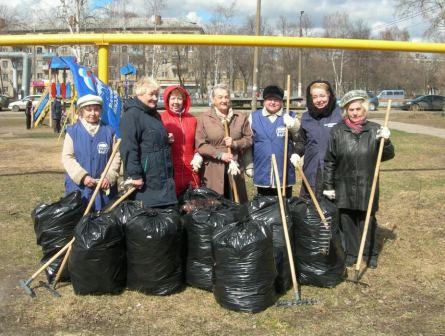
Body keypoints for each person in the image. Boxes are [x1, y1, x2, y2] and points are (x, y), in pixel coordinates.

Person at [323, 90, 395, 268]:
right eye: (351, 110)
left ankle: (370, 253)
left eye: (358, 109)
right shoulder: (338, 131)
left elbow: (386, 156)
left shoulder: (374, 129)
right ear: (346, 111)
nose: (355, 113)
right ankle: (352, 253)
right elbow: (330, 161)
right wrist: (329, 186)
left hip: (366, 184)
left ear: (365, 109)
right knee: (346, 221)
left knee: (367, 222)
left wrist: (386, 142)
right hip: (344, 184)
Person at [120, 77, 177, 208]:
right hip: (145, 181)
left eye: (157, 94)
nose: (155, 98)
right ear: (139, 94)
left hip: (161, 178)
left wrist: (165, 138)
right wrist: (135, 175)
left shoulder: (155, 114)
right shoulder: (131, 116)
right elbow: (129, 147)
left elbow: (149, 138)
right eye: (151, 94)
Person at [62, 94, 121, 211]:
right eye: (88, 110)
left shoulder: (109, 131)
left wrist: (109, 177)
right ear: (81, 112)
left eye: (96, 109)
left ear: (101, 111)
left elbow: (116, 157)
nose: (92, 113)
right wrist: (82, 177)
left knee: (102, 221)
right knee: (79, 220)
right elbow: (67, 157)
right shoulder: (73, 131)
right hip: (79, 188)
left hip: (103, 188)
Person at [195, 83, 252, 203]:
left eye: (226, 97)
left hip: (234, 166)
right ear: (213, 100)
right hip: (213, 168)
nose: (224, 100)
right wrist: (220, 155)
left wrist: (235, 144)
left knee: (236, 202)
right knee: (215, 204)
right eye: (220, 97)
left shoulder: (240, 117)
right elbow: (200, 145)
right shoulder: (204, 118)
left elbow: (249, 139)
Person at [248, 85, 301, 198]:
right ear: (264, 101)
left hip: (284, 170)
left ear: (281, 101)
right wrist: (249, 165)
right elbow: (248, 144)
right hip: (262, 169)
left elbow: (299, 136)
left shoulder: (290, 116)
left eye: (276, 99)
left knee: (285, 206)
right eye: (269, 99)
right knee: (265, 207)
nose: (272, 102)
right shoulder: (254, 117)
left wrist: (294, 125)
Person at [294, 80, 342, 198]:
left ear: (329, 95)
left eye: (322, 96)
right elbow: (302, 141)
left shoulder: (340, 115)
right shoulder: (306, 117)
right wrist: (296, 153)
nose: (319, 100)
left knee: (333, 211)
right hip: (312, 169)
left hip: (335, 171)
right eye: (315, 97)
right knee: (311, 209)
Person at [160, 85, 201, 196]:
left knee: (191, 208)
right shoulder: (161, 119)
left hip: (191, 171)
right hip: (171, 172)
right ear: (167, 100)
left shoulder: (193, 120)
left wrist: (198, 156)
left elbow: (199, 142)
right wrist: (163, 139)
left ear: (184, 100)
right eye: (173, 98)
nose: (176, 102)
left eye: (179, 98)